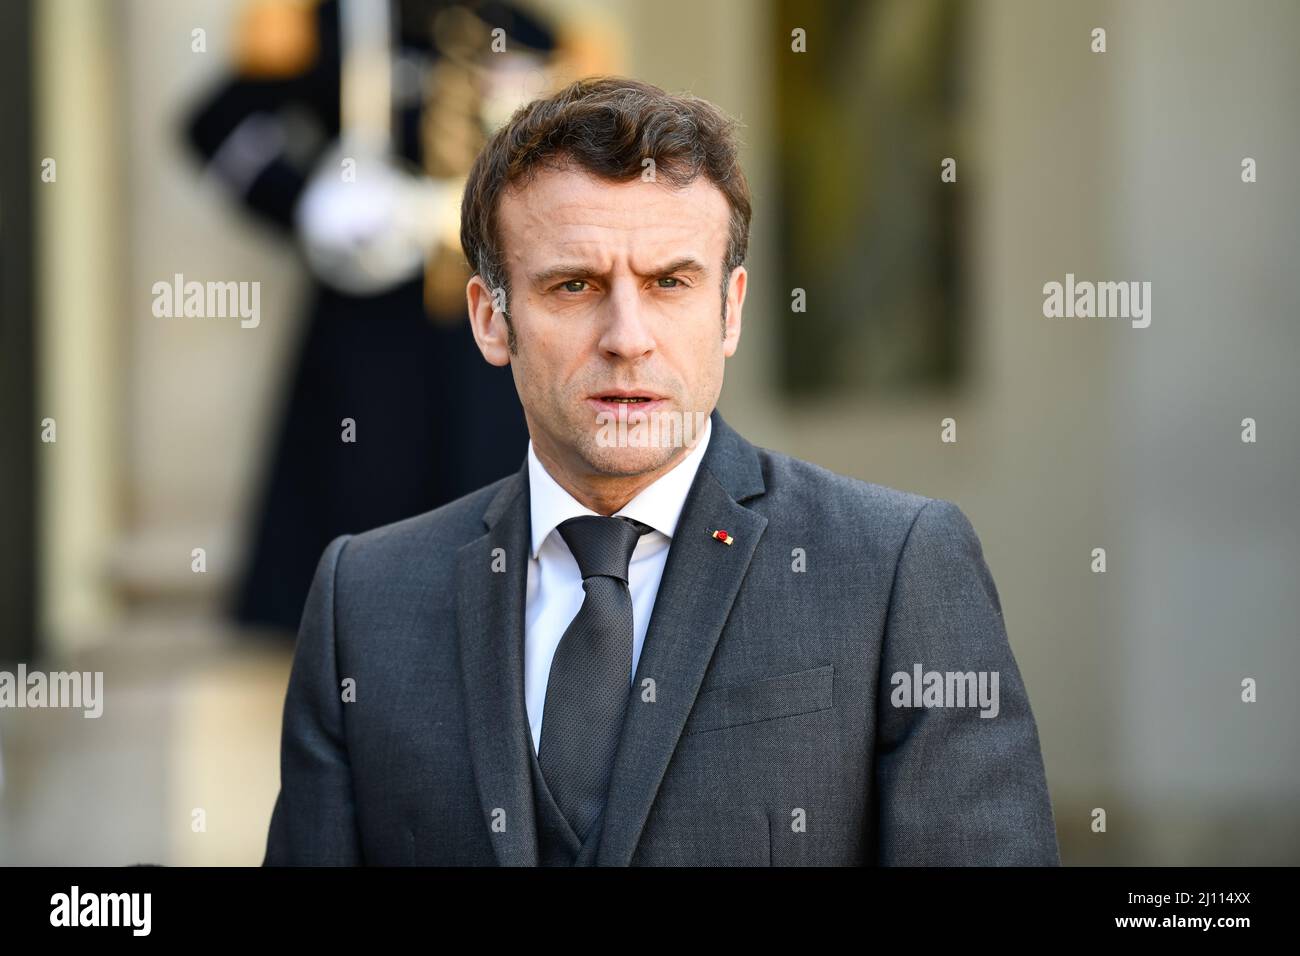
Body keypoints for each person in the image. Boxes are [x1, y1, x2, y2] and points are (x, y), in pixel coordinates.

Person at [264, 76, 1060, 865]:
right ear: (489, 318)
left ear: (731, 310)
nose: (627, 336)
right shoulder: (361, 603)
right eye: (573, 286)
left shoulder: (895, 569)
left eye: (669, 283)